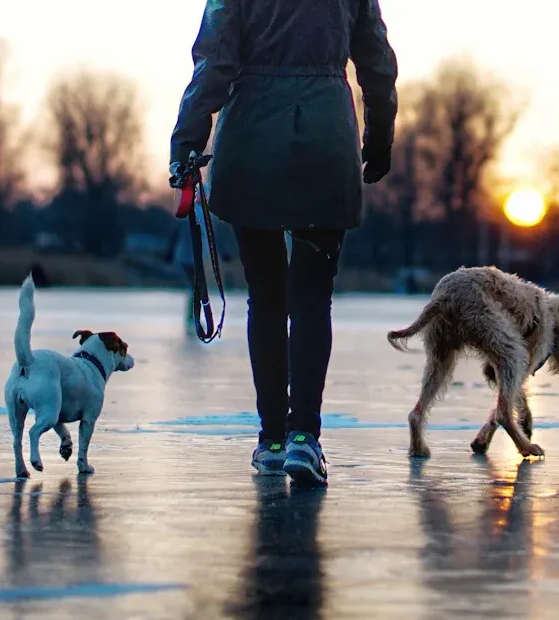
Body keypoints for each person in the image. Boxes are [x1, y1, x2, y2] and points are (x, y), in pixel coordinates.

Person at [170, 0, 398, 487]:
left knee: (267, 298)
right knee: (313, 299)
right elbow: (376, 60)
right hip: (325, 139)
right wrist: (380, 134)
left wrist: (186, 141)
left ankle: (272, 439)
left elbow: (214, 60)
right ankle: (304, 437)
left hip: (253, 140)